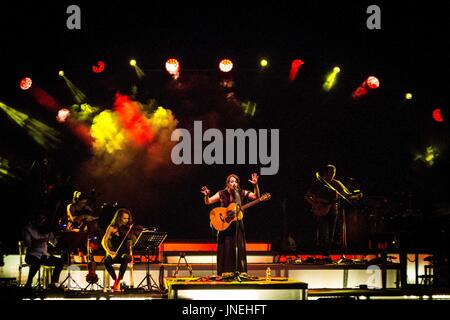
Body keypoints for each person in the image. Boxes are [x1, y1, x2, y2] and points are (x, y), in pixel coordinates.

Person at [201, 173, 260, 277]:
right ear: (227, 184)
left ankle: (240, 273)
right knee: (226, 249)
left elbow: (256, 196)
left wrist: (255, 185)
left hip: (238, 225)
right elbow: (208, 201)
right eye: (231, 181)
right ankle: (224, 273)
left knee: (239, 249)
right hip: (224, 226)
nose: (234, 183)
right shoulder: (221, 193)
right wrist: (206, 195)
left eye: (235, 181)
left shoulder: (241, 192)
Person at [305, 164, 361, 252]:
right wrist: (315, 204)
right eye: (331, 173)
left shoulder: (336, 183)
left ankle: (328, 252)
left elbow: (345, 195)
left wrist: (354, 196)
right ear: (326, 173)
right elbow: (307, 196)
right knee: (324, 232)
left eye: (334, 173)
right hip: (321, 211)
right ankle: (323, 250)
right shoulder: (318, 183)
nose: (333, 175)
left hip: (333, 211)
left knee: (332, 233)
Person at [22, 213, 65, 290]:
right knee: (36, 262)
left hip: (44, 255)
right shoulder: (28, 229)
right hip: (32, 255)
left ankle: (52, 283)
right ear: (34, 220)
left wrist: (57, 237)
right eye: (39, 219)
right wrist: (38, 240)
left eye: (43, 220)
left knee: (60, 262)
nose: (41, 221)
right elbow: (28, 244)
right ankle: (28, 284)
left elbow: (54, 243)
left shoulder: (47, 230)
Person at [101, 208, 136, 292]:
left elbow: (131, 244)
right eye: (124, 218)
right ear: (119, 218)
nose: (126, 220)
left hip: (125, 255)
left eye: (128, 218)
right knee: (106, 261)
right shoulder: (112, 227)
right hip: (115, 254)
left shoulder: (128, 228)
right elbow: (103, 242)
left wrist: (131, 254)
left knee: (125, 257)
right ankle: (115, 278)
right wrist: (109, 251)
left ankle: (118, 281)